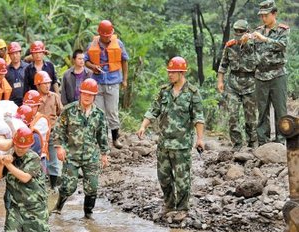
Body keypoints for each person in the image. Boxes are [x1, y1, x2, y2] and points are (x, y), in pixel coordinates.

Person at [136, 57, 205, 221]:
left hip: (182, 145)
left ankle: (182, 208)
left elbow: (198, 117)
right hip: (164, 143)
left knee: (182, 180)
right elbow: (153, 110)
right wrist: (143, 126)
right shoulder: (164, 91)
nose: (170, 75)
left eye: (173, 72)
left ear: (181, 73)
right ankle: (168, 204)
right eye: (169, 72)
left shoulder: (192, 93)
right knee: (164, 177)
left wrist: (200, 139)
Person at [52, 78, 110, 219]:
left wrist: (104, 154)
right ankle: (58, 207)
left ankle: (88, 214)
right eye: (85, 94)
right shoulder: (69, 110)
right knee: (68, 186)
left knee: (92, 187)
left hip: (91, 156)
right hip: (71, 155)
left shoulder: (99, 115)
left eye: (90, 95)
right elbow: (58, 129)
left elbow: (102, 135)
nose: (87, 97)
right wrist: (59, 147)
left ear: (94, 96)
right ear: (80, 94)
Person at [0, 127, 50, 232]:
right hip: (15, 207)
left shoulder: (33, 158)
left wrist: (8, 164)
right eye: (17, 146)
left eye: (23, 147)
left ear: (29, 146)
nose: (19, 149)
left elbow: (25, 178)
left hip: (34, 208)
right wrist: (2, 163)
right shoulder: (10, 157)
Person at [243, 0, 289, 145]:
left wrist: (265, 39)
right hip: (260, 76)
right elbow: (249, 53)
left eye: (266, 15)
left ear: (274, 14)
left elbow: (282, 45)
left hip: (277, 74)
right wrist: (244, 42)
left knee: (280, 109)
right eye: (261, 16)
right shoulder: (258, 30)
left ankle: (281, 142)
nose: (263, 18)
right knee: (262, 111)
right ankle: (263, 142)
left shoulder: (282, 29)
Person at [85, 19, 129, 149]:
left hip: (113, 81)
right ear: (99, 34)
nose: (107, 37)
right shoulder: (92, 45)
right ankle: (101, 141)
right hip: (97, 82)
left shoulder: (119, 44)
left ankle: (115, 139)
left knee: (112, 111)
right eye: (104, 35)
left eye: (109, 35)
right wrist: (93, 67)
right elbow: (86, 61)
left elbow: (125, 61)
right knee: (98, 112)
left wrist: (125, 79)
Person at [217, 20, 258, 150]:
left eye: (241, 31)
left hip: (250, 84)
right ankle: (237, 144)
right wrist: (220, 81)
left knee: (250, 118)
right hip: (233, 84)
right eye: (236, 31)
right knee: (233, 115)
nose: (238, 34)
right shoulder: (229, 46)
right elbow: (223, 65)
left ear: (247, 31)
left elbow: (261, 63)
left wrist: (249, 43)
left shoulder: (255, 46)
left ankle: (252, 143)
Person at [35, 71, 63, 189]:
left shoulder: (55, 97)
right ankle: (39, 184)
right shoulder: (34, 97)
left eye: (48, 83)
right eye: (44, 83)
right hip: (38, 134)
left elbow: (60, 112)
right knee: (39, 158)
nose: (47, 86)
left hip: (52, 132)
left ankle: (53, 186)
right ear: (38, 85)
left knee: (53, 159)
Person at [5, 42, 29, 106]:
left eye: (16, 53)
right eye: (12, 54)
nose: (15, 56)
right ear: (9, 55)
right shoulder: (5, 71)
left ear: (20, 53)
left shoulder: (28, 68)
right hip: (11, 103)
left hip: (26, 102)